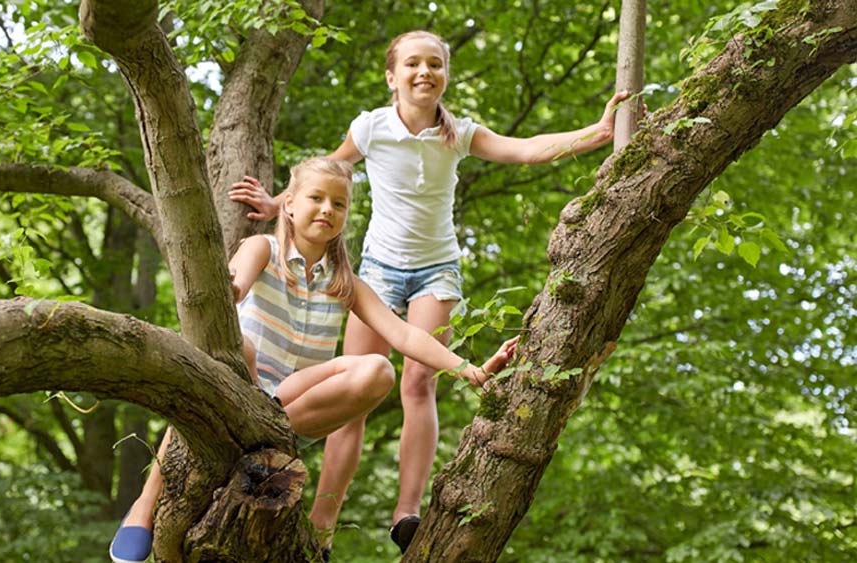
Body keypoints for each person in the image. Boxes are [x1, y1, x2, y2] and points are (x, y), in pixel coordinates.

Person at [229, 30, 632, 553]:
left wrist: (596, 132)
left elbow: (526, 150)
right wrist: (274, 202)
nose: (425, 73)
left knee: (418, 381)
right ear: (392, 76)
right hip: (374, 269)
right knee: (356, 401)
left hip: (434, 270)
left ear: (445, 76)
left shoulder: (457, 133)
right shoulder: (371, 127)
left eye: (436, 65)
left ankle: (407, 512)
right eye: (413, 64)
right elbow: (325, 172)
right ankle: (324, 525)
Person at [110, 156, 519, 563]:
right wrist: (226, 287)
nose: (327, 209)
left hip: (289, 408)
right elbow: (232, 287)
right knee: (243, 347)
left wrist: (468, 369)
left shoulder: (345, 282)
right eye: (316, 198)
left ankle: (276, 448)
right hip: (238, 387)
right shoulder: (261, 248)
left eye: (338, 204)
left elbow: (404, 334)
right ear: (287, 203)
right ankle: (145, 506)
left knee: (377, 370)